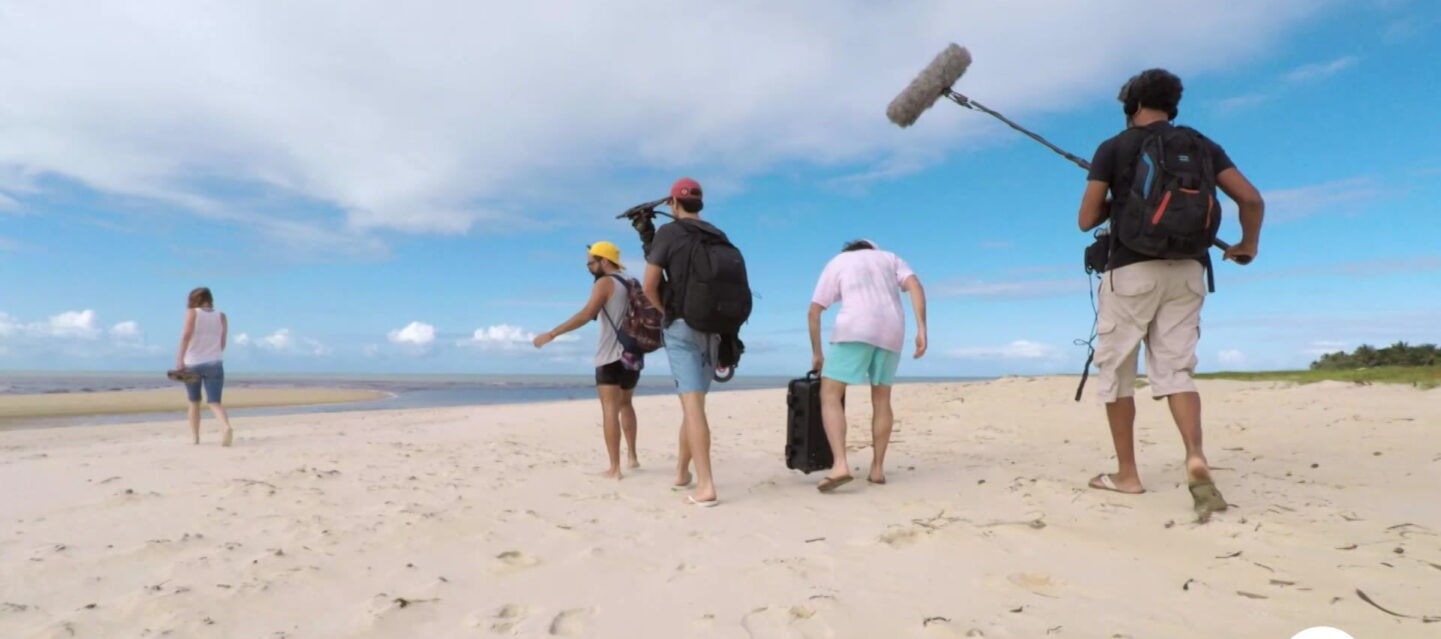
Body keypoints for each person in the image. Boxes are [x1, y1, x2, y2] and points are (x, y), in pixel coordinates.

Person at [1076, 69, 1264, 516]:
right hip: (1189, 270)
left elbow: (1086, 219)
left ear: (1134, 104)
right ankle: (1195, 456)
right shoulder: (1202, 146)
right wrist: (1247, 245)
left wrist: (1117, 199)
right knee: (1177, 371)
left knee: (1118, 372)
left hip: (1131, 269)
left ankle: (1127, 475)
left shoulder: (1113, 147)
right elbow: (1251, 200)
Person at [635, 177, 738, 507]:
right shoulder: (717, 235)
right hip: (714, 328)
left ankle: (706, 485)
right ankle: (682, 472)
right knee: (693, 406)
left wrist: (667, 312)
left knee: (692, 408)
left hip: (682, 325)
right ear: (700, 203)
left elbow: (649, 285)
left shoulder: (669, 233)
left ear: (672, 203)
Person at [808, 240, 927, 492]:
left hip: (854, 330)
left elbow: (814, 311)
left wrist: (817, 353)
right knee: (882, 399)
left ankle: (840, 465)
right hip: (892, 332)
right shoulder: (890, 258)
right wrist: (922, 329)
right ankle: (877, 469)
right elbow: (915, 285)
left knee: (830, 394)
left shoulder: (839, 261)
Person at [532, 241, 641, 479]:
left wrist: (552, 333)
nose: (588, 268)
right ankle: (632, 457)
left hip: (610, 355)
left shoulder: (605, 283)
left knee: (610, 409)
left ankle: (615, 468)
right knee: (626, 404)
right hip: (633, 353)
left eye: (590, 263)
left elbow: (586, 314)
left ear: (604, 261)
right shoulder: (631, 282)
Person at [173, 287, 234, 446]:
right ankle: (225, 426)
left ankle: (195, 438)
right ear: (210, 299)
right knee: (214, 402)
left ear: (193, 300)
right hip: (215, 363)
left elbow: (186, 336)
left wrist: (179, 359)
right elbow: (222, 343)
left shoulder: (192, 313)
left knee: (194, 402)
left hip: (192, 363)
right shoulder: (221, 316)